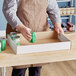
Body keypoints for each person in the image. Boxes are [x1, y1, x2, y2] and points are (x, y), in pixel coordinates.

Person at [3, 0, 64, 76]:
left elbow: (53, 9)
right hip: (19, 35)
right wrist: (20, 27)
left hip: (40, 34)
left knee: (36, 67)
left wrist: (57, 24)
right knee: (20, 68)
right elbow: (9, 11)